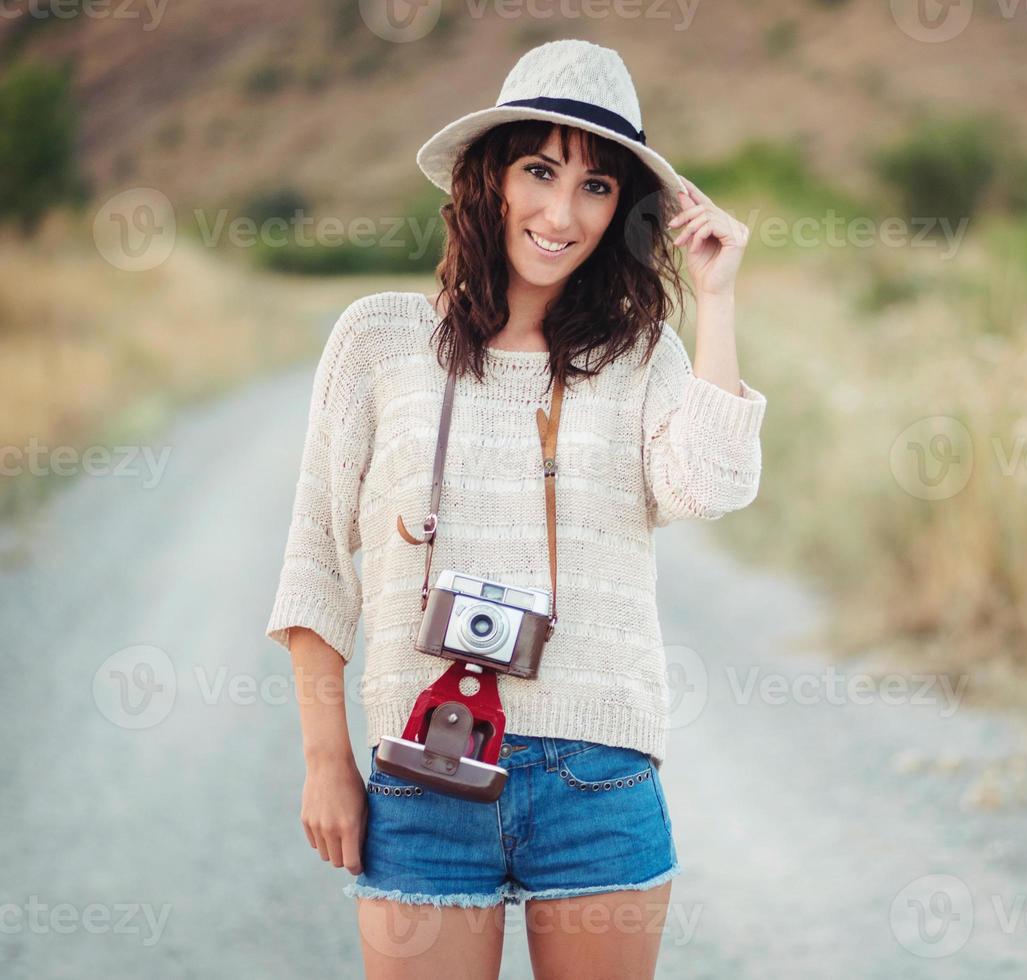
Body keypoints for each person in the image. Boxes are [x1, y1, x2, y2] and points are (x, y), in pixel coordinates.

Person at [263, 38, 765, 979]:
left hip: (598, 777)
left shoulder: (638, 352)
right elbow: (317, 562)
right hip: (421, 772)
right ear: (488, 178)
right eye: (540, 171)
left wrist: (717, 301)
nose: (561, 213)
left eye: (597, 187)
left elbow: (710, 482)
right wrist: (326, 760)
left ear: (624, 211)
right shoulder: (378, 342)